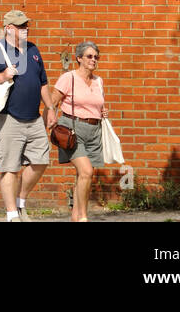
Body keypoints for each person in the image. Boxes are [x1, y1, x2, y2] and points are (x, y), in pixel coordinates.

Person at [0, 9, 57, 222]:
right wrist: (2, 76)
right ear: (8, 28)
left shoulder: (33, 50)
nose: (26, 28)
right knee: (10, 167)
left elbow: (43, 83)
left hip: (34, 118)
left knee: (40, 161)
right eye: (21, 26)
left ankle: (20, 201)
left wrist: (50, 108)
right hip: (8, 118)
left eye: (26, 25)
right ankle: (11, 215)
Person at [47, 40, 107, 222]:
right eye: (89, 56)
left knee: (84, 176)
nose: (93, 59)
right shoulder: (69, 78)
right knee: (86, 172)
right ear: (79, 58)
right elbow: (52, 102)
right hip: (72, 130)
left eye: (96, 57)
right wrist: (48, 122)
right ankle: (83, 217)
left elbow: (97, 103)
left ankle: (75, 216)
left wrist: (103, 111)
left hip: (94, 130)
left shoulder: (98, 81)